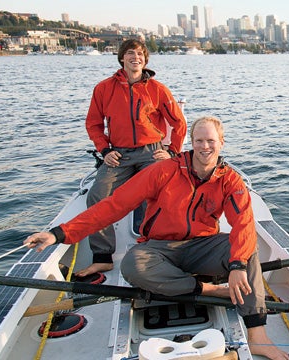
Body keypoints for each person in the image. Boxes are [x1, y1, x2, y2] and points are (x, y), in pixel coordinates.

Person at [25, 116, 289, 360]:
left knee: (246, 248)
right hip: (160, 249)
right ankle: (209, 289)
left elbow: (243, 224)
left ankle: (258, 335)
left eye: (211, 141)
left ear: (221, 142)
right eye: (199, 140)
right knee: (132, 265)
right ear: (191, 142)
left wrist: (237, 266)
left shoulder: (230, 180)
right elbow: (114, 205)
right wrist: (59, 233)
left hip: (202, 246)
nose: (205, 146)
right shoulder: (164, 170)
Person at [81, 38, 187, 277]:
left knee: (165, 192)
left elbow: (179, 123)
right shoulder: (104, 88)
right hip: (119, 153)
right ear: (122, 58)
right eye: (130, 53)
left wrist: (171, 151)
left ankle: (159, 247)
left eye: (140, 54)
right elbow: (94, 124)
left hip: (152, 151)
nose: (135, 57)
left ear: (145, 60)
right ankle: (102, 256)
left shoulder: (157, 89)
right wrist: (105, 150)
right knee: (98, 195)